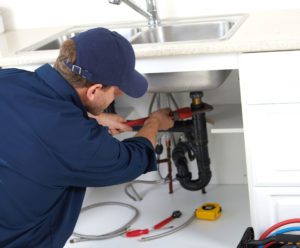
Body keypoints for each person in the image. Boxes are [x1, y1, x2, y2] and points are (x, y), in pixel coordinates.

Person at [0, 27, 174, 247]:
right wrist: (155, 122)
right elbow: (136, 157)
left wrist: (94, 120)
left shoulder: (9, 78)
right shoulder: (77, 141)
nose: (117, 96)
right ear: (94, 90)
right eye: (116, 92)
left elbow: (42, 122)